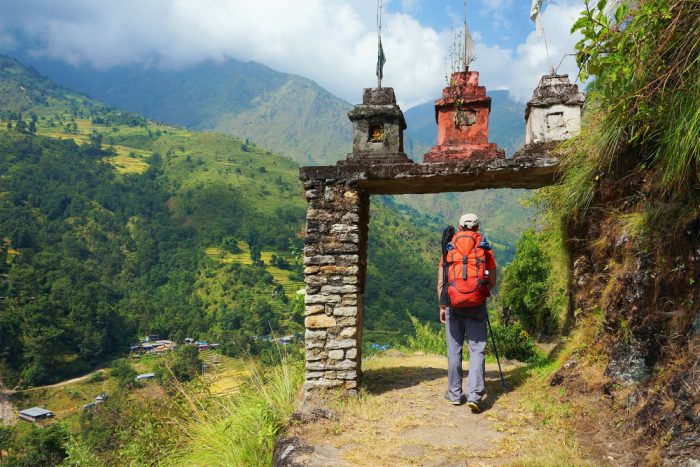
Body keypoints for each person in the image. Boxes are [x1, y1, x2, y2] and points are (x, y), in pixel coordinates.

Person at [437, 213, 497, 412]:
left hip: (453, 303)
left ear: (460, 227)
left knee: (454, 351)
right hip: (476, 304)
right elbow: (493, 280)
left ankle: (454, 395)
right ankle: (475, 396)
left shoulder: (450, 246)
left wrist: (442, 306)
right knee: (477, 350)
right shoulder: (484, 248)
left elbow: (443, 279)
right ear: (477, 227)